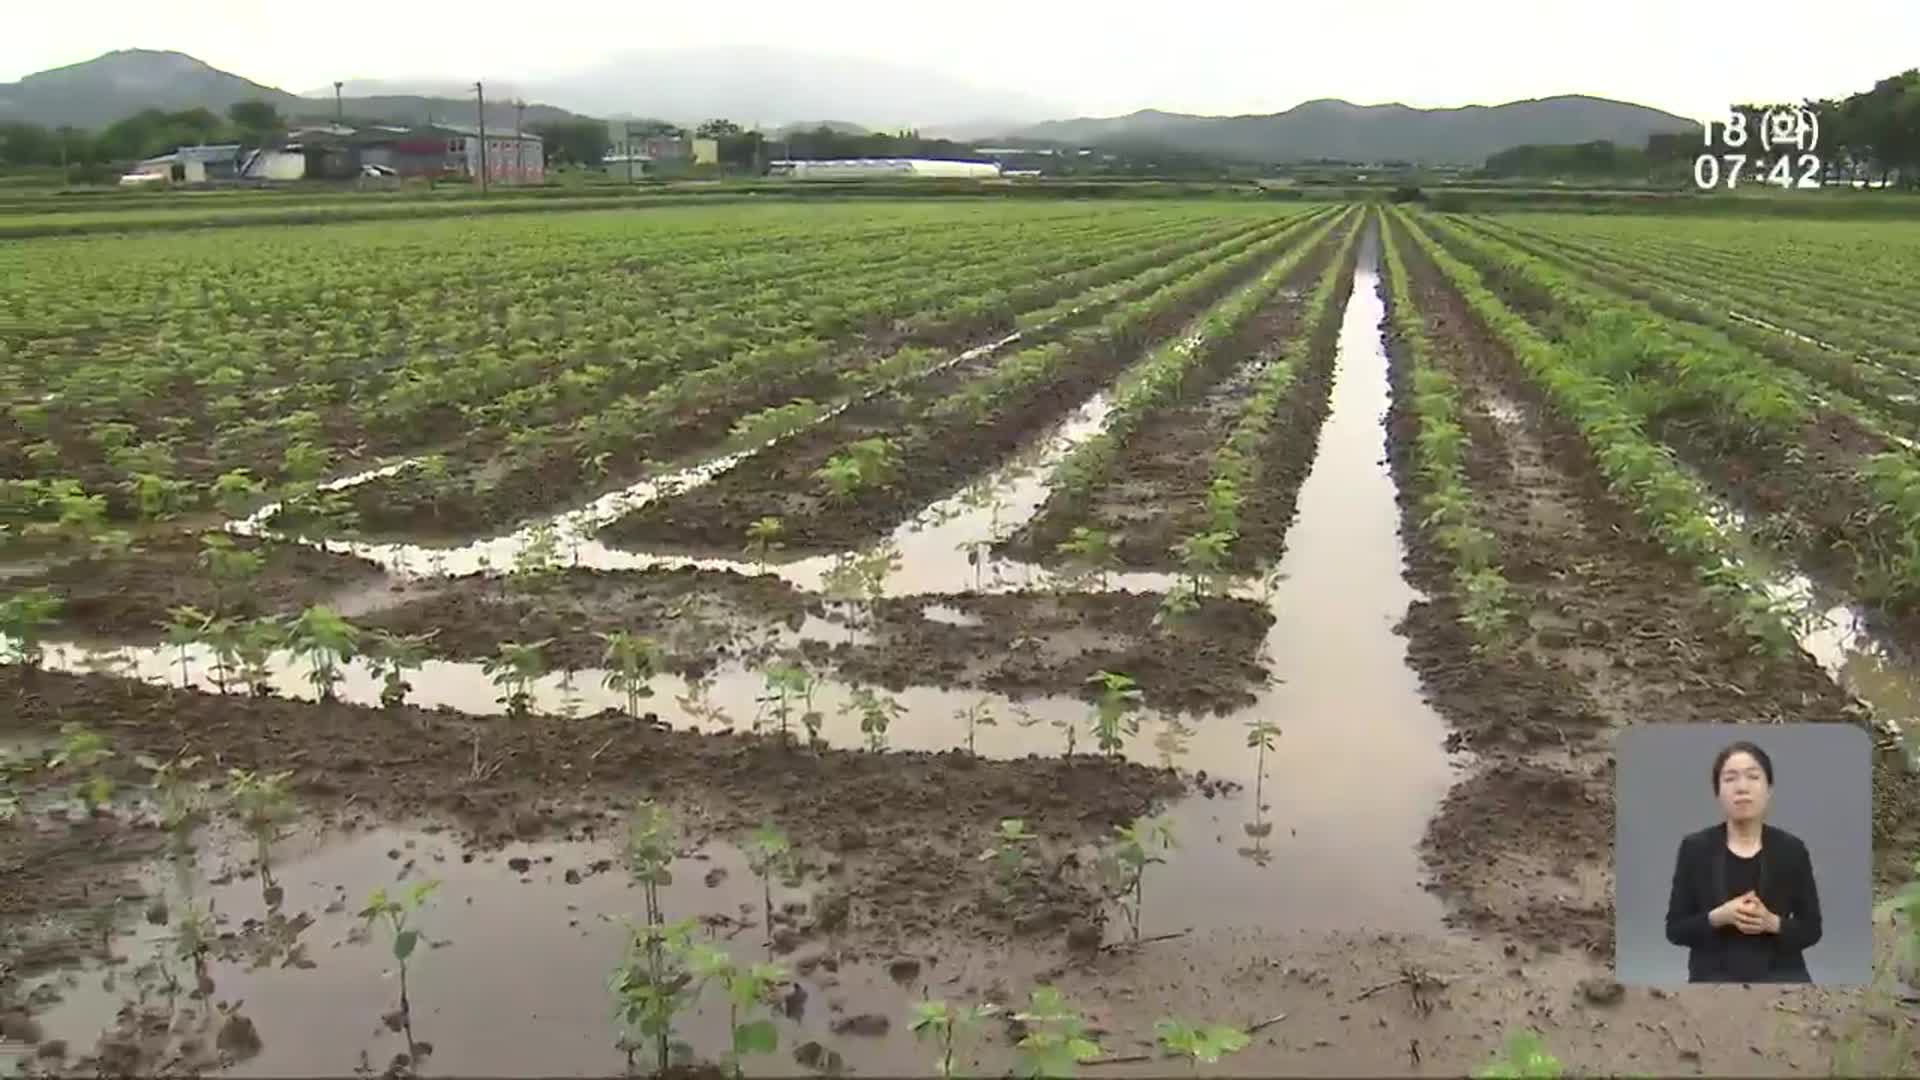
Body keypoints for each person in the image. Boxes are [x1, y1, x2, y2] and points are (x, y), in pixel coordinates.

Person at [1664, 740, 1822, 983]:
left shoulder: (1792, 849)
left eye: (1753, 777)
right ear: (1717, 792)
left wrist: (1773, 923)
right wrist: (1719, 916)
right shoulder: (1695, 849)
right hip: (1713, 978)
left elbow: (1812, 929)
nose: (1742, 788)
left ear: (1769, 789)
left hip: (1783, 977)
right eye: (1730, 779)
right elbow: (1674, 930)